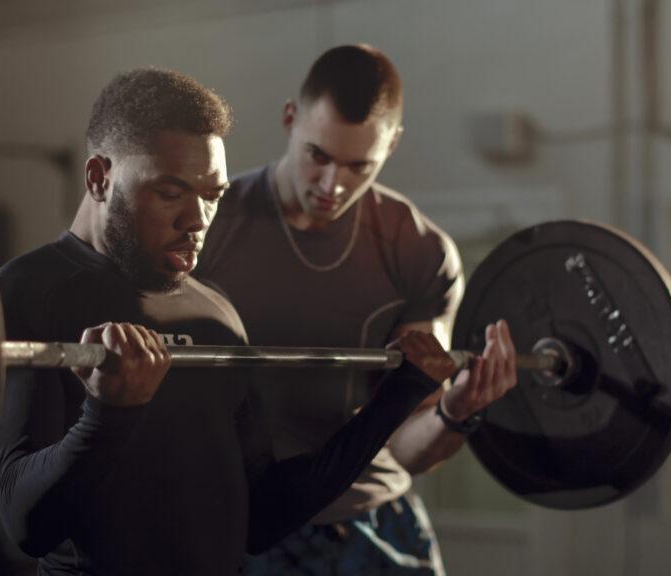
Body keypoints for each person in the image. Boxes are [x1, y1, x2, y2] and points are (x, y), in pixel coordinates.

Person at [0, 67, 471, 576]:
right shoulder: (31, 292)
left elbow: (261, 517)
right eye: (171, 193)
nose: (197, 221)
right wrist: (109, 414)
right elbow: (27, 527)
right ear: (99, 178)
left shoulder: (214, 313)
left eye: (212, 195)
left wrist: (398, 396)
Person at [195, 44, 518, 574]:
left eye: (357, 165)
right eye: (317, 155)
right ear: (289, 118)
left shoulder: (419, 252)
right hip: (236, 522)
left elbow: (412, 448)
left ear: (391, 146)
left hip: (369, 524)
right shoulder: (210, 224)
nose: (332, 185)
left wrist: (456, 414)